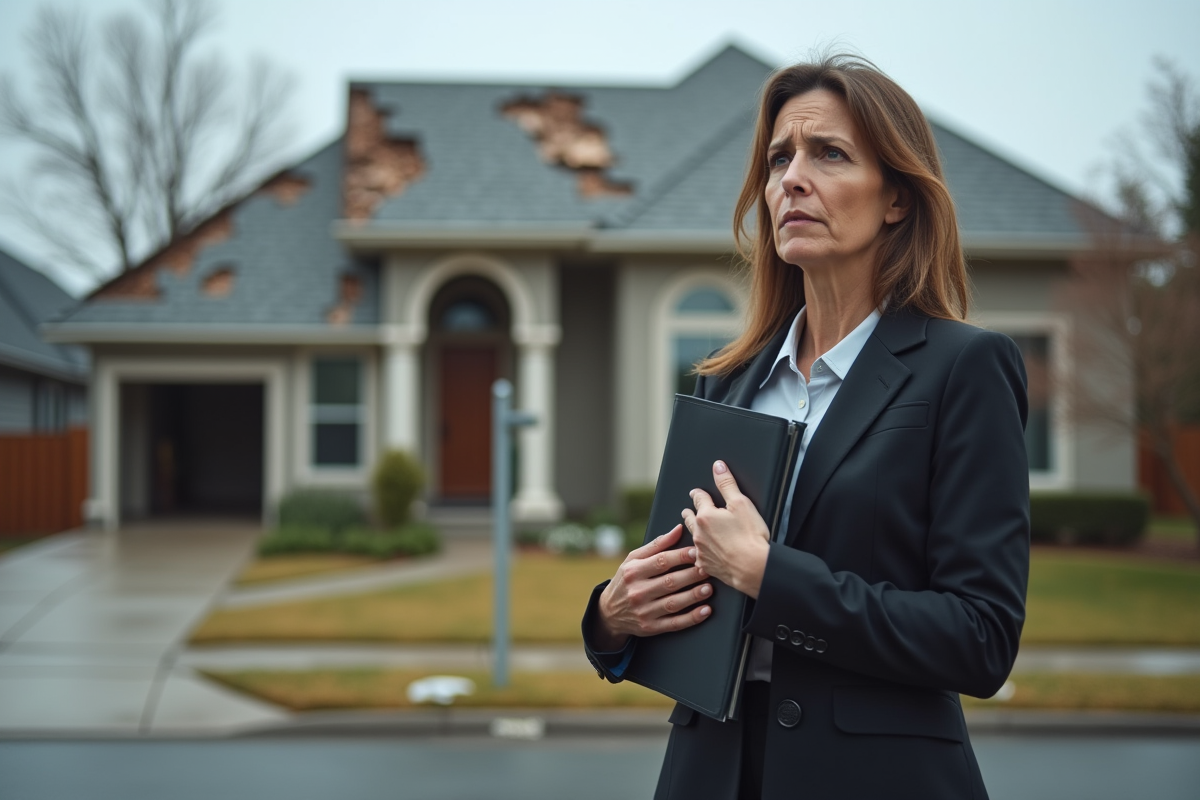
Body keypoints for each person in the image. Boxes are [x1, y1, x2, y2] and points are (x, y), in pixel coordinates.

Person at [581, 53, 1029, 800]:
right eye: (779, 157)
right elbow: (684, 588)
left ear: (895, 198)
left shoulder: (965, 369)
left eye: (830, 154)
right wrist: (611, 618)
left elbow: (980, 638)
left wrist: (767, 575)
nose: (791, 177)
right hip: (711, 773)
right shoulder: (727, 381)